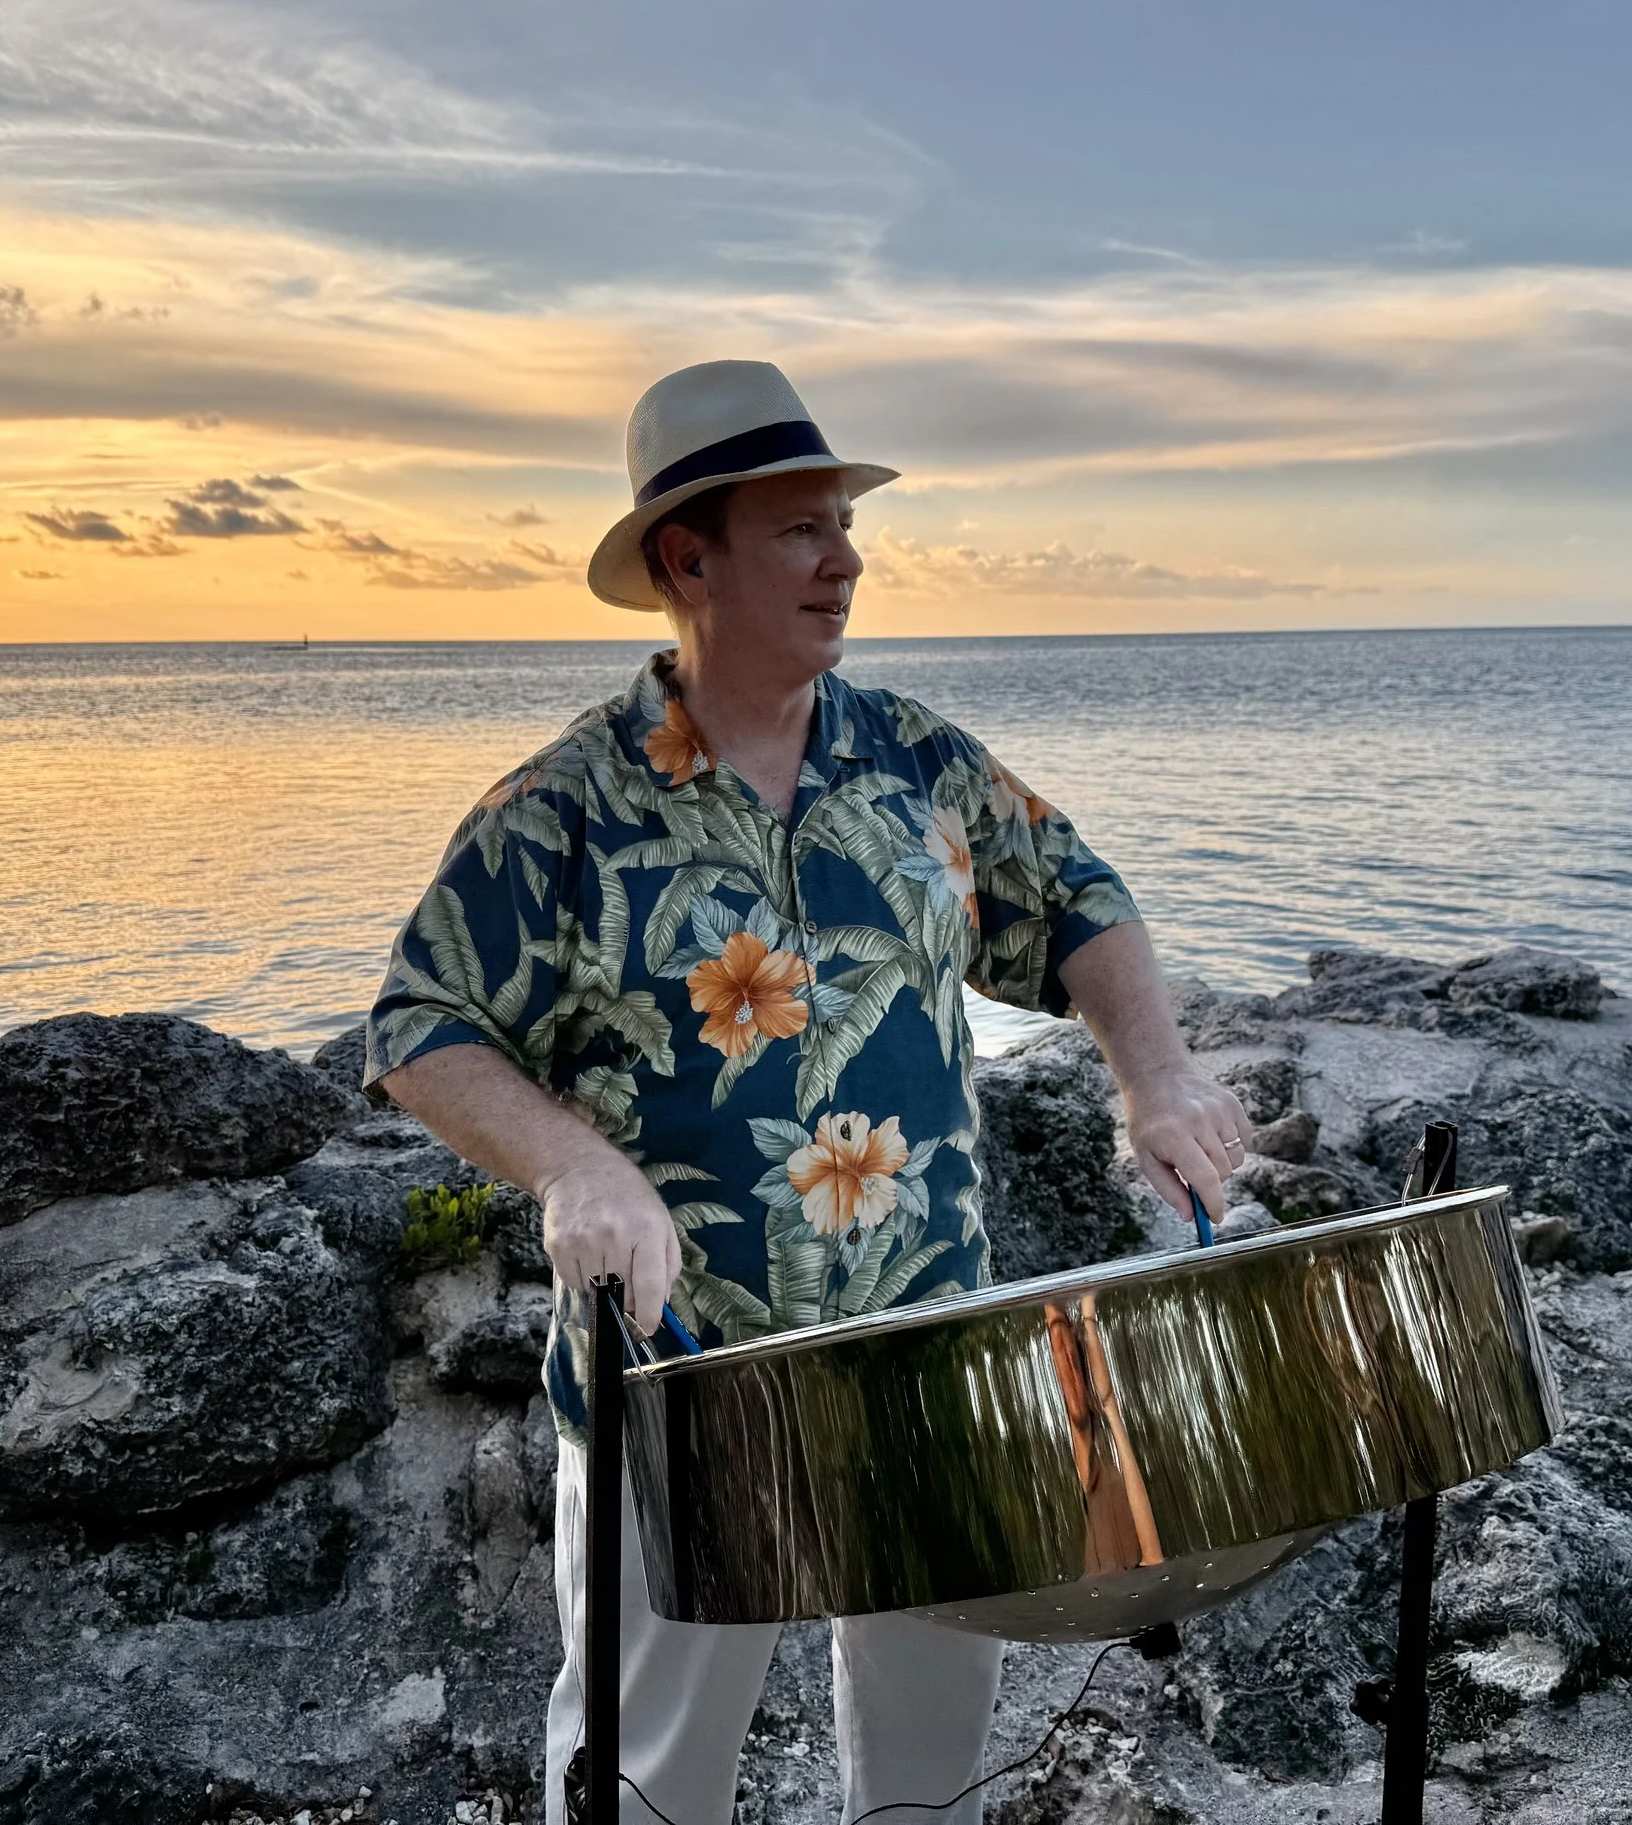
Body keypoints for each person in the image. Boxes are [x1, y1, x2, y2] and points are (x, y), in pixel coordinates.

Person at [364, 359, 1251, 1823]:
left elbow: (1080, 897)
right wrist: (573, 1166)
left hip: (928, 1364)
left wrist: (1152, 1072)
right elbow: (421, 1022)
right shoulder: (566, 809)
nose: (848, 558)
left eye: (845, 523)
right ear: (685, 555)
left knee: (929, 1778)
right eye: (802, 529)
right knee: (647, 1785)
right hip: (682, 1384)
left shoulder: (914, 761)